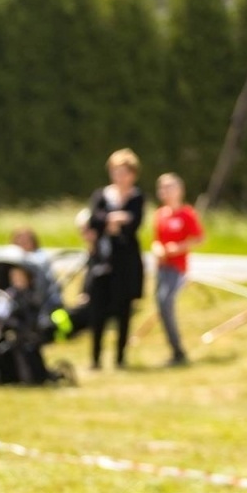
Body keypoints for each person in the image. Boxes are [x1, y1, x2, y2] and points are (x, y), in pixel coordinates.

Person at [81, 149, 145, 370]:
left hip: (125, 264)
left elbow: (133, 224)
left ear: (132, 174)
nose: (119, 176)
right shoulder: (102, 195)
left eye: (124, 172)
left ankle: (120, 358)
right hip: (101, 262)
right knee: (97, 310)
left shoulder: (136, 197)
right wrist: (113, 220)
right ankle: (95, 359)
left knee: (123, 311)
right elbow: (93, 221)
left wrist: (109, 223)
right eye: (115, 171)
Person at [149, 172, 204, 367]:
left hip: (177, 267)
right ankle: (175, 349)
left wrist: (178, 247)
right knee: (161, 306)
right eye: (162, 188)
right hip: (162, 267)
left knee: (165, 302)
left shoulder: (187, 213)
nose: (165, 191)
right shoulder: (160, 214)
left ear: (179, 190)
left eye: (169, 187)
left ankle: (178, 351)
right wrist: (157, 248)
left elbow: (198, 237)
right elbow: (156, 239)